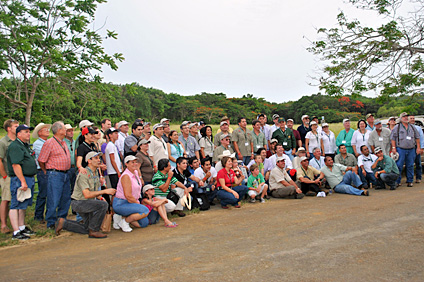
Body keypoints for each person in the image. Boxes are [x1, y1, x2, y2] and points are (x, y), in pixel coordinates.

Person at [55, 152, 116, 238]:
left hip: (86, 202)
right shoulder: (84, 174)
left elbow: (93, 191)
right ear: (89, 161)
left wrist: (100, 197)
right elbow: (87, 194)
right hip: (80, 202)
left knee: (86, 228)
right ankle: (94, 230)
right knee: (103, 206)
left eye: (99, 158)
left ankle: (64, 223)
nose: (99, 160)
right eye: (96, 158)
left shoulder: (95, 173)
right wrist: (104, 192)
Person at [37, 121, 72, 229]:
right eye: (64, 129)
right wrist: (46, 171)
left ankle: (62, 220)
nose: (65, 130)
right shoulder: (49, 143)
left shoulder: (63, 142)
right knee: (54, 198)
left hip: (65, 173)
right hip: (55, 173)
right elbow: (41, 160)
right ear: (59, 130)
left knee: (65, 198)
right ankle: (51, 222)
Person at [6, 124, 37, 241]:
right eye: (25, 132)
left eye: (29, 132)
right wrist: (22, 181)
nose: (28, 134)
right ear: (18, 134)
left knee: (23, 203)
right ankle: (16, 231)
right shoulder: (15, 146)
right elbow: (16, 164)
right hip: (19, 178)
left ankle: (22, 226)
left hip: (28, 177)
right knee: (16, 203)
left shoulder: (24, 145)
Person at [112, 156, 150, 232]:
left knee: (144, 223)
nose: (135, 164)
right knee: (145, 210)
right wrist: (138, 204)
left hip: (131, 202)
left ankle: (121, 217)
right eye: (132, 162)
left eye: (136, 162)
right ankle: (125, 221)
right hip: (122, 203)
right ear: (126, 164)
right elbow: (128, 196)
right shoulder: (126, 176)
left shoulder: (135, 172)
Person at [391, 112, 420, 187]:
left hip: (411, 149)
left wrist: (418, 148)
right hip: (401, 149)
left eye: (407, 116)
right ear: (401, 119)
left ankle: (410, 181)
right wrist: (394, 148)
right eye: (404, 117)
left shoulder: (413, 127)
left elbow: (417, 138)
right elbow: (393, 139)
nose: (406, 118)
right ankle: (397, 181)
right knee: (399, 165)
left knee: (410, 165)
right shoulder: (397, 127)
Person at [0, 119, 19, 234]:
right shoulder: (3, 142)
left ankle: (17, 224)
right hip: (7, 175)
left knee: (17, 199)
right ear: (9, 128)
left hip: (17, 174)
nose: (17, 128)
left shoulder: (17, 140)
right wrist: (4, 176)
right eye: (15, 126)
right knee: (6, 199)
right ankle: (3, 224)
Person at [32, 123, 51, 223]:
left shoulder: (47, 142)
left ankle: (47, 214)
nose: (48, 131)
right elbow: (44, 157)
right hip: (42, 170)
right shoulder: (37, 144)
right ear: (39, 132)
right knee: (43, 193)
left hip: (48, 170)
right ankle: (38, 215)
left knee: (49, 193)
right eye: (45, 130)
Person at [409, 115, 424, 183]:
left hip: (416, 147)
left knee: (418, 163)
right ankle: (410, 179)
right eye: (411, 118)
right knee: (410, 164)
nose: (412, 119)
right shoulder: (406, 128)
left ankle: (418, 177)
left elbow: (421, 138)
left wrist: (421, 148)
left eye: (413, 118)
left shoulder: (418, 128)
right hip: (409, 147)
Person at [64, 124, 77, 194]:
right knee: (66, 188)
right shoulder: (63, 142)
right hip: (66, 168)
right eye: (69, 131)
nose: (71, 132)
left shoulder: (75, 142)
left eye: (72, 131)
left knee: (75, 187)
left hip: (74, 167)